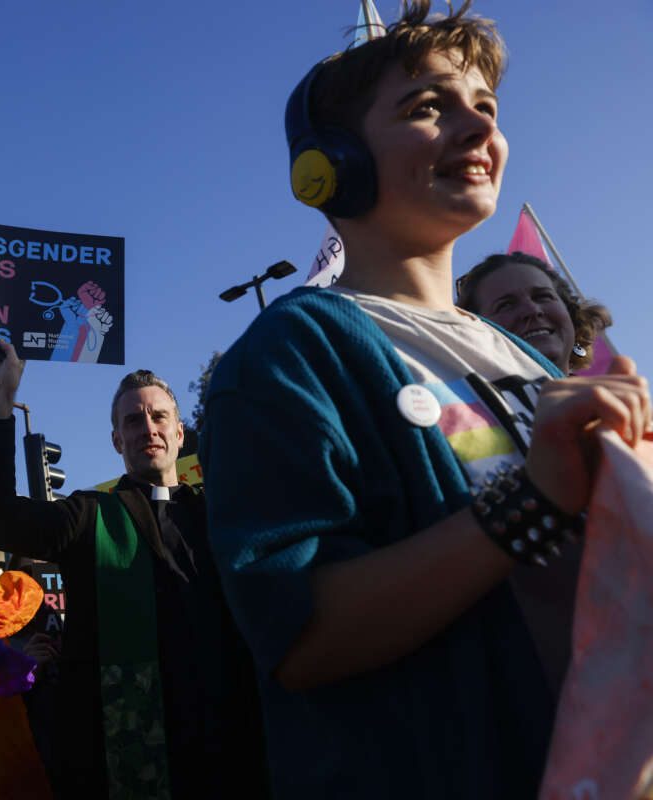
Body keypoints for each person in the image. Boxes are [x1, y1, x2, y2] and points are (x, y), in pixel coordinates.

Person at [200, 3, 652, 798]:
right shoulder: (289, 352)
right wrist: (531, 502)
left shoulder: (518, 355)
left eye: (486, 108)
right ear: (329, 164)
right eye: (427, 108)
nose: (478, 130)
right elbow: (302, 634)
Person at [0, 358, 267, 799]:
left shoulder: (221, 514)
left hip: (231, 746)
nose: (148, 428)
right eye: (133, 420)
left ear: (180, 434)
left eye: (159, 416)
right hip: (122, 756)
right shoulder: (89, 515)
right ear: (116, 440)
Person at [456, 251, 613, 373]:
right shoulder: (458, 412)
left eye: (543, 297)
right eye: (506, 305)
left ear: (571, 315)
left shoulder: (609, 408)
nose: (532, 310)